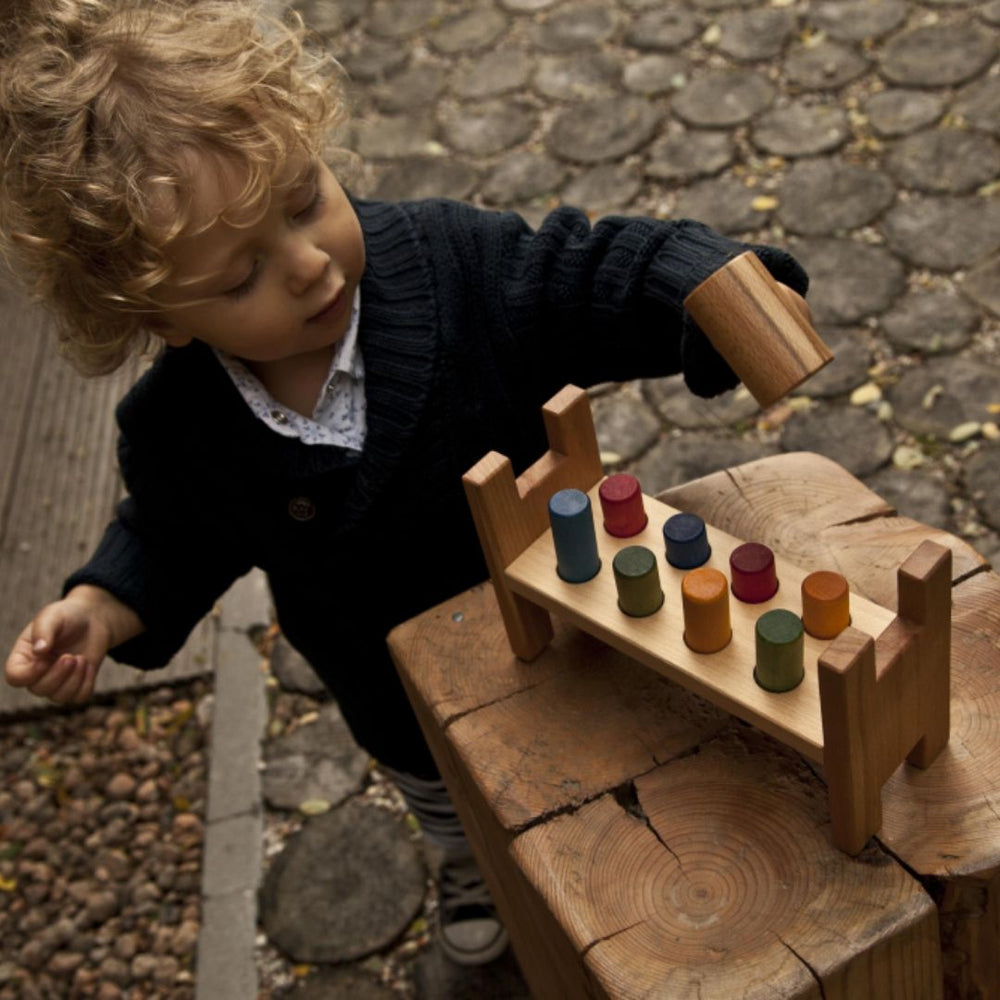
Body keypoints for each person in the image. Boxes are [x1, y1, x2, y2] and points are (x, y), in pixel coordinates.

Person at [0, 0, 808, 968]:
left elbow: (577, 274)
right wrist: (104, 603)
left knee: (616, 762)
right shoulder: (178, 428)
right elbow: (174, 531)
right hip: (398, 695)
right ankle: (473, 862)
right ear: (159, 315)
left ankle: (644, 841)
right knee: (450, 794)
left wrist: (702, 285)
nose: (306, 265)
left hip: (571, 621)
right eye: (238, 275)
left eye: (304, 200)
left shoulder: (451, 264)